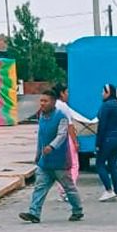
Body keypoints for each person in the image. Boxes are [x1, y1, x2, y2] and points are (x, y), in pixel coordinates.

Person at [18, 88, 83, 223]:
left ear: (53, 102)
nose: (42, 103)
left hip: (60, 161)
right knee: (39, 187)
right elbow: (41, 138)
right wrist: (38, 154)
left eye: (45, 101)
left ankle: (77, 210)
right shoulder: (41, 117)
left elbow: (61, 135)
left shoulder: (61, 117)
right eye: (41, 101)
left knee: (69, 188)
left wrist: (51, 147)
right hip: (45, 161)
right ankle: (34, 213)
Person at [95, 83, 117, 202]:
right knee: (113, 166)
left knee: (100, 164)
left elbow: (102, 126)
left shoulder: (106, 106)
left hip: (107, 139)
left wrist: (98, 143)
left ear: (108, 92)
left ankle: (108, 190)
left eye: (103, 91)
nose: (101, 94)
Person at [54, 83, 81, 204]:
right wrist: (75, 141)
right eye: (67, 92)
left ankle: (62, 190)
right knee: (73, 165)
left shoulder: (52, 104)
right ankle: (68, 190)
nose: (68, 95)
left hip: (54, 139)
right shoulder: (63, 107)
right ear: (62, 93)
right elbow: (70, 126)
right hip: (65, 138)